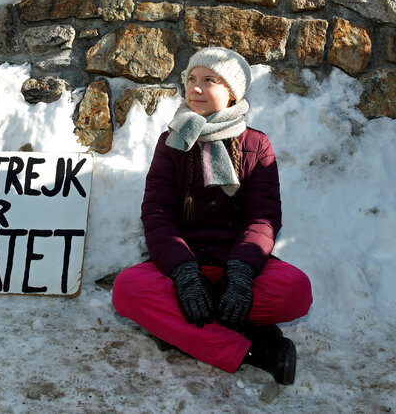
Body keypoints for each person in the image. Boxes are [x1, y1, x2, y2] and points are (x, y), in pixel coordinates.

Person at [111, 47, 313, 385]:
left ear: (232, 91)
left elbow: (263, 217)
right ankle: (257, 349)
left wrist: (243, 273)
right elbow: (157, 214)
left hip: (238, 268)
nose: (195, 88)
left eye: (209, 80)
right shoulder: (171, 142)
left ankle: (181, 329)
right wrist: (185, 274)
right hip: (182, 268)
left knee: (296, 290)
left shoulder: (257, 144)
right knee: (127, 290)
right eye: (191, 79)